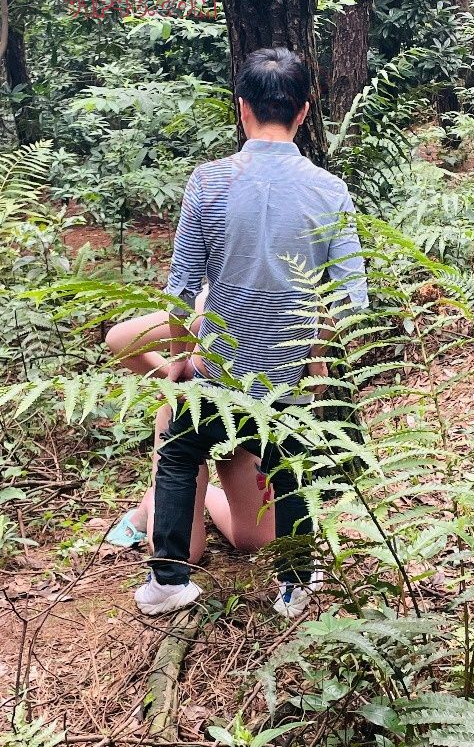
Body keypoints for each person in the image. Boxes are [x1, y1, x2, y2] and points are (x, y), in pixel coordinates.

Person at [135, 47, 368, 619]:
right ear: (304, 111)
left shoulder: (209, 181)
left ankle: (168, 581)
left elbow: (181, 289)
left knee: (178, 455)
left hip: (217, 370)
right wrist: (317, 362)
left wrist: (179, 362)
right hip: (287, 376)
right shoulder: (329, 190)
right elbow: (348, 300)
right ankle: (295, 585)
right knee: (292, 471)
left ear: (242, 107)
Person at [104, 297, 276, 560]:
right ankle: (153, 503)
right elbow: (119, 340)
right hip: (185, 425)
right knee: (182, 555)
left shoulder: (289, 294)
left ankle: (202, 495)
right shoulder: (211, 299)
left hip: (243, 427)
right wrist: (179, 379)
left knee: (258, 541)